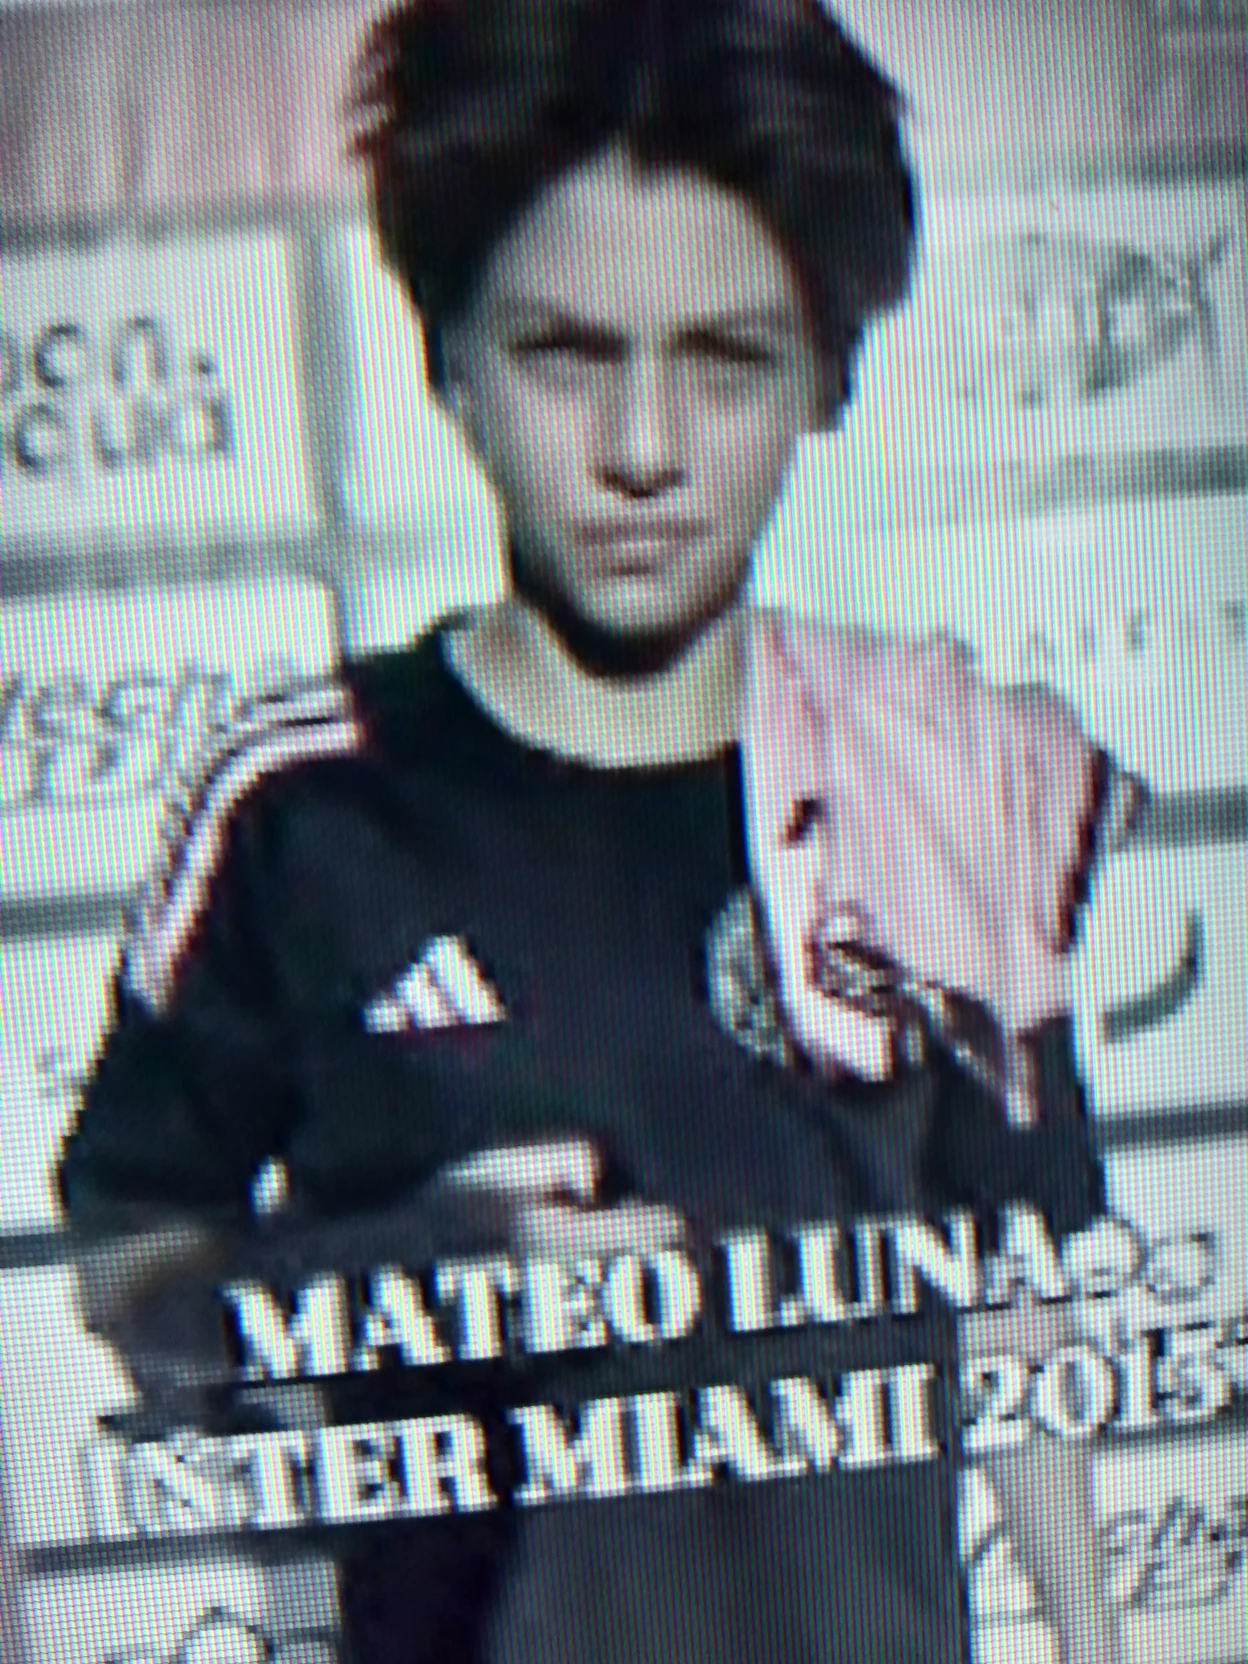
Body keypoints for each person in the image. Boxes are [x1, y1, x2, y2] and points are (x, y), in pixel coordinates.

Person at [59, 1, 1122, 1659]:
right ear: (451, 367)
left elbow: (1016, 1286)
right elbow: (134, 1271)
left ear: (828, 379)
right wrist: (402, 1270)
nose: (643, 452)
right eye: (566, 353)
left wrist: (1098, 1639)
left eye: (725, 361)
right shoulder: (301, 804)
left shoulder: (932, 781)